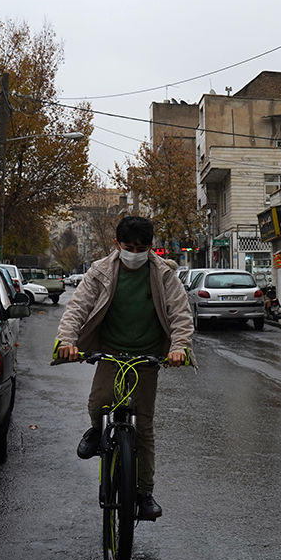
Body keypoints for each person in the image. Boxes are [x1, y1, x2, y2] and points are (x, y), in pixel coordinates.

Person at [54, 216, 194, 521]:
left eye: (141, 248)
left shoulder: (163, 274)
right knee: (99, 401)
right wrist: (66, 341)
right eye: (129, 247)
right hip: (111, 353)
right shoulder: (101, 271)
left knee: (143, 426)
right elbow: (77, 308)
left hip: (147, 357)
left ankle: (144, 494)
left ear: (150, 247)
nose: (135, 253)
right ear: (117, 245)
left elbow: (180, 313)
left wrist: (179, 348)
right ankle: (96, 431)